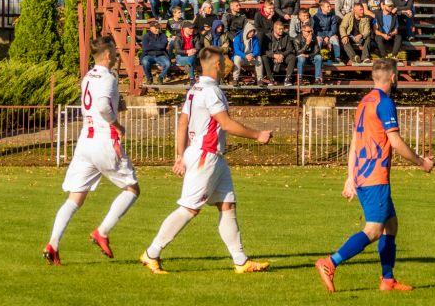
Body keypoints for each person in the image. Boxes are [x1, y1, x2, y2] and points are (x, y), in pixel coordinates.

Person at [140, 46, 273, 275]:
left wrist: (180, 155)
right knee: (189, 208)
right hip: (206, 155)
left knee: (227, 206)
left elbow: (183, 123)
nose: (226, 63)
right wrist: (258, 135)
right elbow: (226, 124)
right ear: (217, 65)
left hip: (212, 156)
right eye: (224, 60)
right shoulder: (211, 91)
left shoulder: (195, 89)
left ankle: (241, 261)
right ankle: (152, 254)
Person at [315, 58, 435, 293]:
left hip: (363, 173)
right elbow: (395, 142)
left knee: (391, 225)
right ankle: (330, 262)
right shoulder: (385, 103)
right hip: (374, 175)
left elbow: (355, 141)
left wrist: (350, 176)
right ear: (393, 77)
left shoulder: (364, 102)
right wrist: (422, 162)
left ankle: (388, 280)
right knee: (374, 230)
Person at [43, 37, 140, 265]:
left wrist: (116, 105)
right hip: (104, 140)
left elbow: (98, 103)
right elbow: (103, 106)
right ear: (107, 55)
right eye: (114, 52)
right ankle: (102, 232)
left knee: (75, 198)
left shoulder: (88, 76)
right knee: (132, 189)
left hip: (85, 141)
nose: (116, 56)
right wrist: (117, 124)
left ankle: (53, 244)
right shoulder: (108, 78)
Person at [262, 21, 297, 86]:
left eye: (282, 29)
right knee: (264, 57)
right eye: (279, 29)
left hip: (283, 57)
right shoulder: (267, 37)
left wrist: (281, 55)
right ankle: (271, 79)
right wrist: (274, 55)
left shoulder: (286, 36)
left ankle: (287, 79)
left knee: (292, 57)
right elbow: (264, 50)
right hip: (271, 58)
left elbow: (290, 49)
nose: (281, 30)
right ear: (274, 29)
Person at [140, 20, 172, 84]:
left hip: (161, 55)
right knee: (145, 61)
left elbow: (163, 46)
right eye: (156, 28)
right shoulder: (146, 36)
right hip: (148, 55)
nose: (157, 29)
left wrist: (151, 45)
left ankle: (161, 77)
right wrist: (158, 45)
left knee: (168, 63)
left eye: (158, 28)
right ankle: (149, 78)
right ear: (151, 28)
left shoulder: (163, 35)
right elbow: (145, 48)